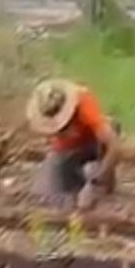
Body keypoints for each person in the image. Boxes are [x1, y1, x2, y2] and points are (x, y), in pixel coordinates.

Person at [26, 79, 119, 211]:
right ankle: (77, 182)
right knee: (48, 191)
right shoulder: (43, 110)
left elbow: (114, 145)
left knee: (94, 174)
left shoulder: (85, 105)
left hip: (92, 140)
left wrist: (97, 182)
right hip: (67, 148)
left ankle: (101, 185)